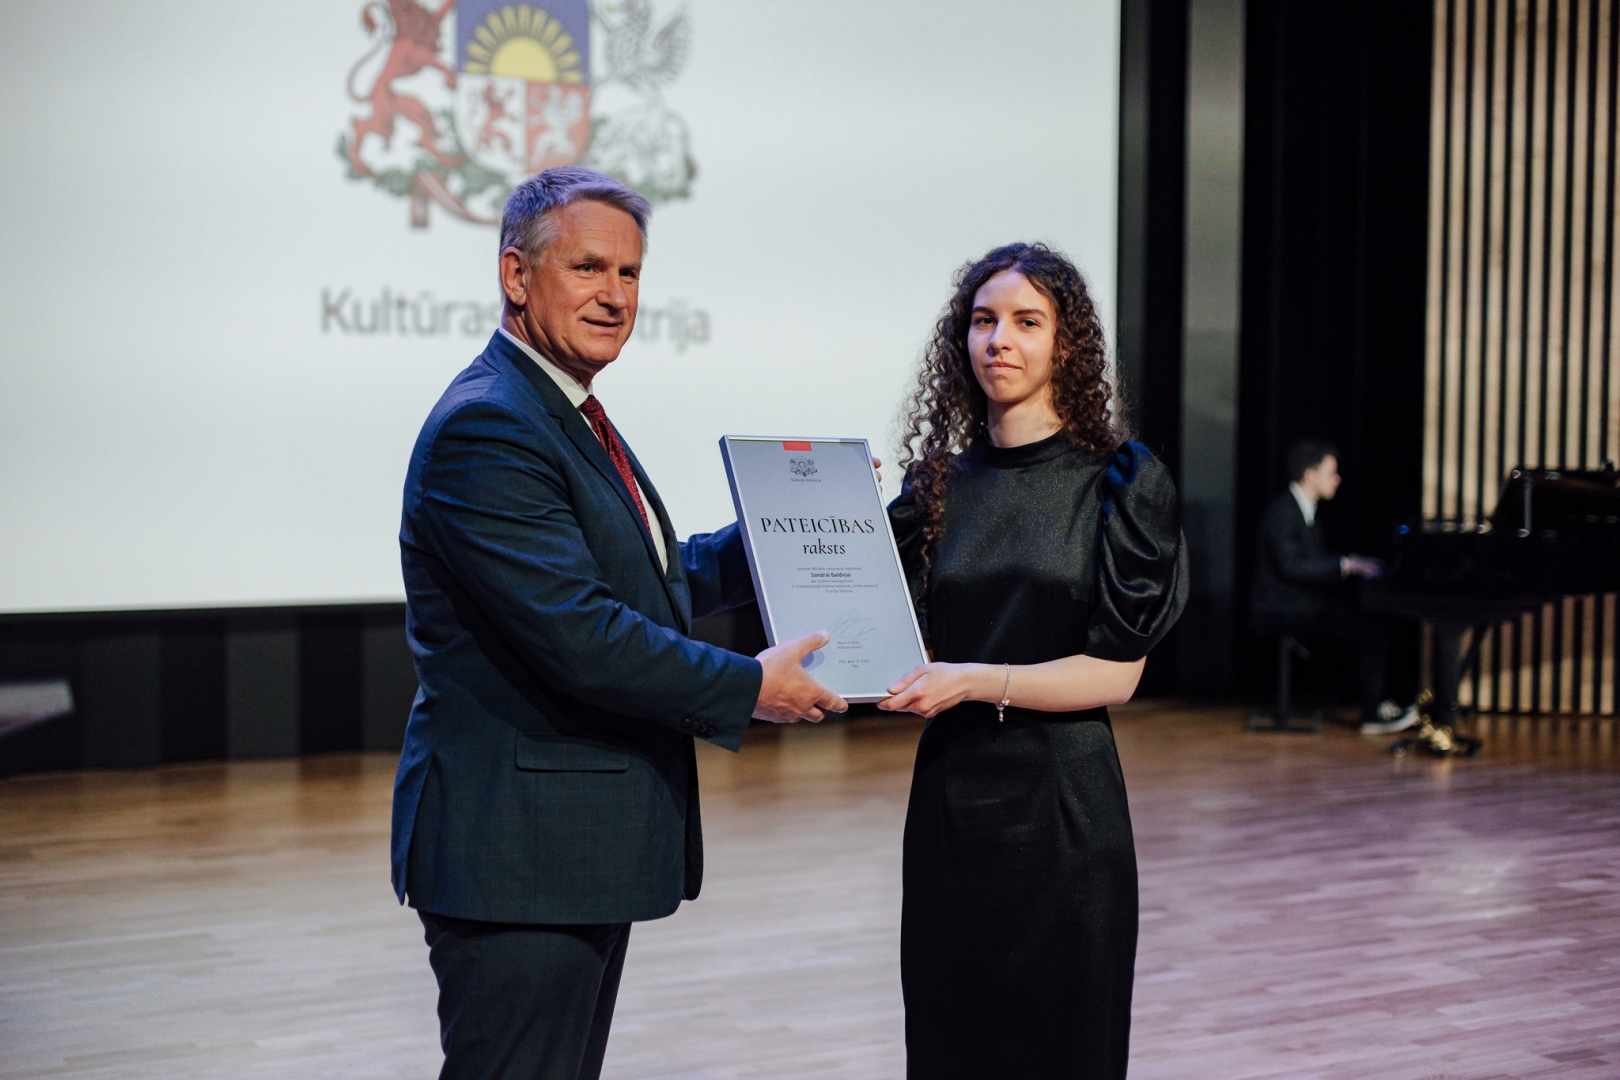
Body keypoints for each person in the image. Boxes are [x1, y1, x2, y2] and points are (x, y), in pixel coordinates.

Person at [390, 166, 846, 1080]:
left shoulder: (560, 410)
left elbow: (652, 581)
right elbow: (583, 635)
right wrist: (750, 688)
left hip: (564, 851)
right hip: (519, 859)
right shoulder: (491, 427)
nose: (615, 295)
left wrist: (803, 527)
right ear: (516, 276)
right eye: (588, 268)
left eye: (630, 273)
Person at [878, 243, 1188, 1080]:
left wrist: (974, 680)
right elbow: (896, 638)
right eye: (983, 321)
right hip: (952, 804)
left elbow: (1117, 674)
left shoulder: (1119, 481)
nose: (999, 340)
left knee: (1064, 1048)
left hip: (1065, 809)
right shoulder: (936, 486)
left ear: (1066, 343)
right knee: (951, 1041)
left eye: (1026, 322)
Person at [1249, 439, 1415, 734]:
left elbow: (1313, 560)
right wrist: (1347, 565)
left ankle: (1375, 705)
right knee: (1372, 631)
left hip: (1301, 600)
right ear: (1310, 474)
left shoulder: (1304, 509)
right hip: (1282, 605)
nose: (1337, 479)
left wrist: (1351, 562)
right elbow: (1291, 566)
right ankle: (1371, 714)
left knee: (1371, 623)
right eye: (1331, 473)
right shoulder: (1283, 511)